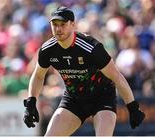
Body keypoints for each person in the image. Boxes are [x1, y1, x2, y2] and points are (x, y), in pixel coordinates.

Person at [23, 6, 145, 136]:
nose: (58, 29)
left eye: (63, 24)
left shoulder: (91, 48)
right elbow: (38, 76)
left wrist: (133, 107)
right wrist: (31, 103)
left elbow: (117, 77)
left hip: (102, 97)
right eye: (55, 24)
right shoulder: (47, 50)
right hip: (74, 99)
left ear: (73, 25)